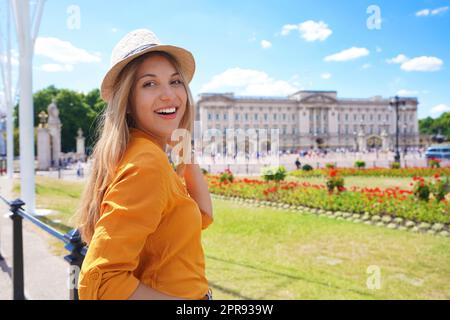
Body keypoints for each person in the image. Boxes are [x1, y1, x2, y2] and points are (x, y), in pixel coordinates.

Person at [75, 29, 214, 300]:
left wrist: (184, 149)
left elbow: (203, 216)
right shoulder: (147, 163)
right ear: (126, 101)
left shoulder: (144, 153)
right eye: (149, 84)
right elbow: (100, 283)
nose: (169, 95)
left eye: (175, 82)